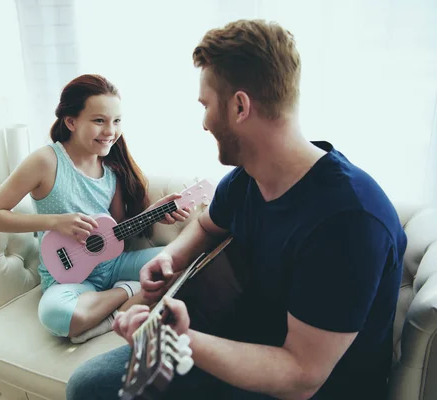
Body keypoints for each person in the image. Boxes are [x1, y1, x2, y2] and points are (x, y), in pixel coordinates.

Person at [66, 20, 407, 399]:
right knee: (90, 387)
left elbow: (301, 376)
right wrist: (170, 258)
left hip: (309, 384)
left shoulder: (350, 221)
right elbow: (208, 226)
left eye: (207, 105)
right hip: (244, 340)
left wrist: (180, 340)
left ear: (240, 106)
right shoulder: (248, 178)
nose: (205, 122)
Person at [0, 74, 190, 343]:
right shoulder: (45, 161)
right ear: (71, 121)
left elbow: (115, 230)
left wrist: (154, 213)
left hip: (114, 266)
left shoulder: (113, 168)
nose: (110, 131)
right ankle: (128, 293)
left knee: (186, 261)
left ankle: (108, 311)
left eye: (117, 121)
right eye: (99, 120)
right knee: (56, 315)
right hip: (67, 278)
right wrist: (54, 222)